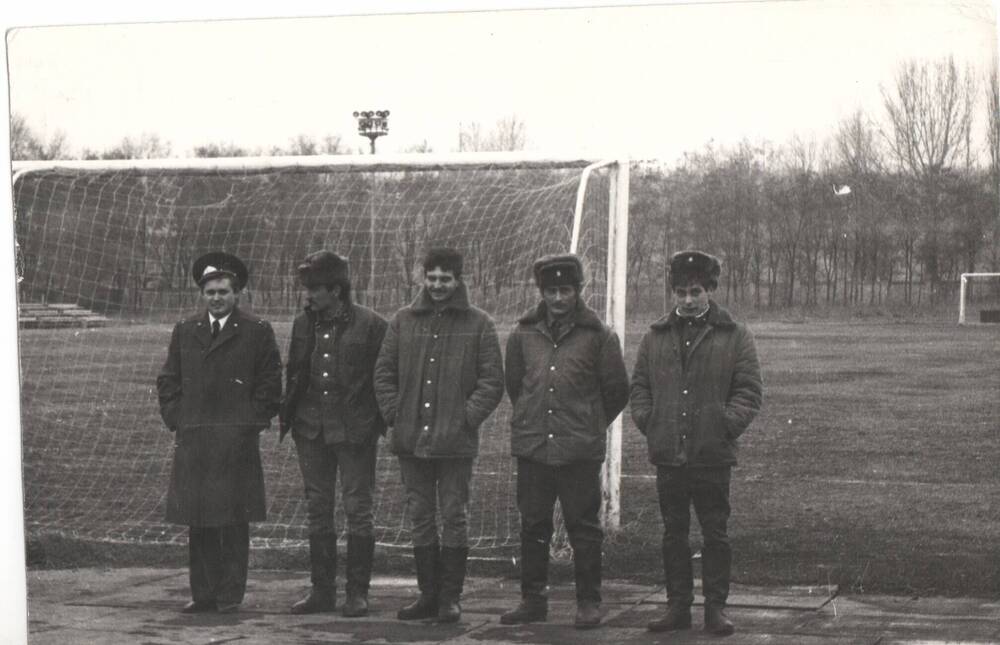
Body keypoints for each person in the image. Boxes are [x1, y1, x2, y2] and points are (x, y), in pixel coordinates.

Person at [630, 250, 762, 636]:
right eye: (681, 292)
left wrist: (723, 426)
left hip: (711, 456)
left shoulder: (735, 335)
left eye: (696, 292)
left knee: (715, 533)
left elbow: (749, 391)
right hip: (669, 456)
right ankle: (677, 607)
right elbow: (639, 387)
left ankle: (715, 609)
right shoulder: (654, 336)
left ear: (711, 290)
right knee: (673, 533)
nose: (688, 300)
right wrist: (652, 423)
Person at [374, 247, 504, 624]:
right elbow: (383, 373)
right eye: (431, 278)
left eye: (445, 279)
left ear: (458, 280)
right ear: (423, 278)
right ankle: (427, 595)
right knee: (419, 516)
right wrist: (396, 415)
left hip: (454, 444)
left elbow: (492, 380)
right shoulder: (402, 320)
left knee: (454, 515)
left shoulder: (480, 323)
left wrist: (465, 419)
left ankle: (451, 597)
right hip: (411, 440)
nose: (437, 286)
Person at [500, 253, 629, 630]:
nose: (558, 298)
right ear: (542, 291)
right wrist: (535, 419)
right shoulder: (522, 333)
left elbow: (616, 391)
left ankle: (589, 602)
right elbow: (516, 385)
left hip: (578, 451)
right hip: (533, 448)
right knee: (534, 524)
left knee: (583, 527)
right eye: (551, 290)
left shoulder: (600, 336)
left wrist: (586, 424)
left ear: (578, 291)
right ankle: (533, 600)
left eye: (566, 290)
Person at [156, 251, 282, 614]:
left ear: (237, 293)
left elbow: (270, 384)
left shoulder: (257, 331)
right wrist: (178, 417)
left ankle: (229, 595)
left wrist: (249, 424)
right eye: (210, 292)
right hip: (195, 440)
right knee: (199, 519)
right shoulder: (186, 330)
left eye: (223, 291)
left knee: (232, 518)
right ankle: (203, 593)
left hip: (235, 440)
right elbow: (168, 380)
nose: (216, 298)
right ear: (202, 293)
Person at [280, 251, 388, 617]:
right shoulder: (301, 324)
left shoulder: (372, 325)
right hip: (310, 431)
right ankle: (321, 591)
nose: (307, 296)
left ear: (337, 290)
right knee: (317, 510)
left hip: (355, 433)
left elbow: (386, 376)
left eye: (314, 289)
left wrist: (374, 419)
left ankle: (358, 593)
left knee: (359, 510)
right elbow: (295, 371)